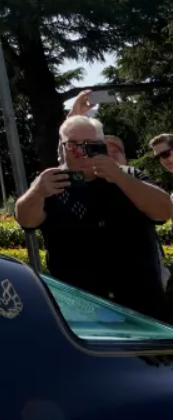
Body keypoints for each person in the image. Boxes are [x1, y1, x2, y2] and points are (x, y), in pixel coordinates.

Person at [16, 117, 173, 320]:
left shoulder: (130, 175)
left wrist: (119, 177)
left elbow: (163, 212)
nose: (80, 152)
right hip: (80, 308)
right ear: (62, 146)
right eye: (72, 145)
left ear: (102, 146)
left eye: (89, 146)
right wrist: (37, 192)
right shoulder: (50, 182)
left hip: (140, 305)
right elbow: (26, 221)